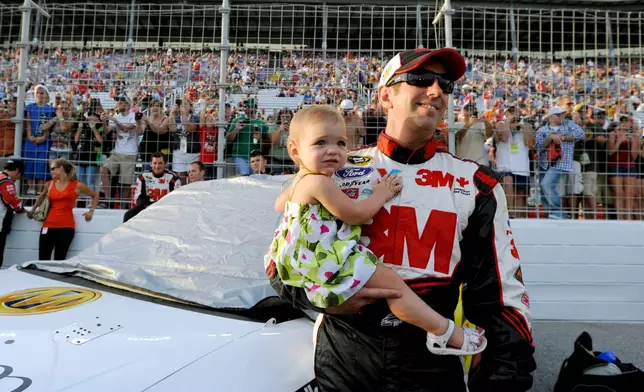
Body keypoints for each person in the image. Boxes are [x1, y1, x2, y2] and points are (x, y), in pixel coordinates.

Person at [266, 48, 536, 391]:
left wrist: (505, 379)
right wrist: (322, 299)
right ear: (385, 96)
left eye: (445, 84)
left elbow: (500, 296)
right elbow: (282, 262)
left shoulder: (477, 184)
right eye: (421, 80)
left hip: (430, 364)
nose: (436, 91)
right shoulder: (333, 169)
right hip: (345, 355)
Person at [267, 105, 486, 356]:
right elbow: (357, 214)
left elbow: (278, 205)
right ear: (295, 150)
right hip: (324, 258)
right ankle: (444, 332)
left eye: (340, 143)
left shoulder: (300, 179)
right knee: (394, 286)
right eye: (320, 143)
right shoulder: (319, 182)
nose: (333, 150)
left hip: (303, 257)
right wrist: (382, 192)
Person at [28, 158, 98, 260]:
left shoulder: (77, 185)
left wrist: (91, 211)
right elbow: (41, 196)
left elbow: (95, 195)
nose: (50, 171)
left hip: (66, 227)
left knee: (59, 260)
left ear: (60, 169)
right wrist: (32, 210)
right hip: (48, 225)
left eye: (52, 169)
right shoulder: (49, 184)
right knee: (43, 259)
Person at [123, 152, 181, 222]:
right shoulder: (143, 177)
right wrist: (147, 207)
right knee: (128, 215)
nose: (157, 166)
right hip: (147, 208)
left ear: (165, 164)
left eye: (160, 163)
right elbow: (137, 197)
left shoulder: (174, 179)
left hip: (166, 209)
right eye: (155, 163)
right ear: (151, 164)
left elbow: (176, 199)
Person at [0, 159, 28, 268]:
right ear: (17, 170)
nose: (17, 178)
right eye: (19, 175)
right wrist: (22, 209)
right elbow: (11, 200)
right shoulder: (6, 181)